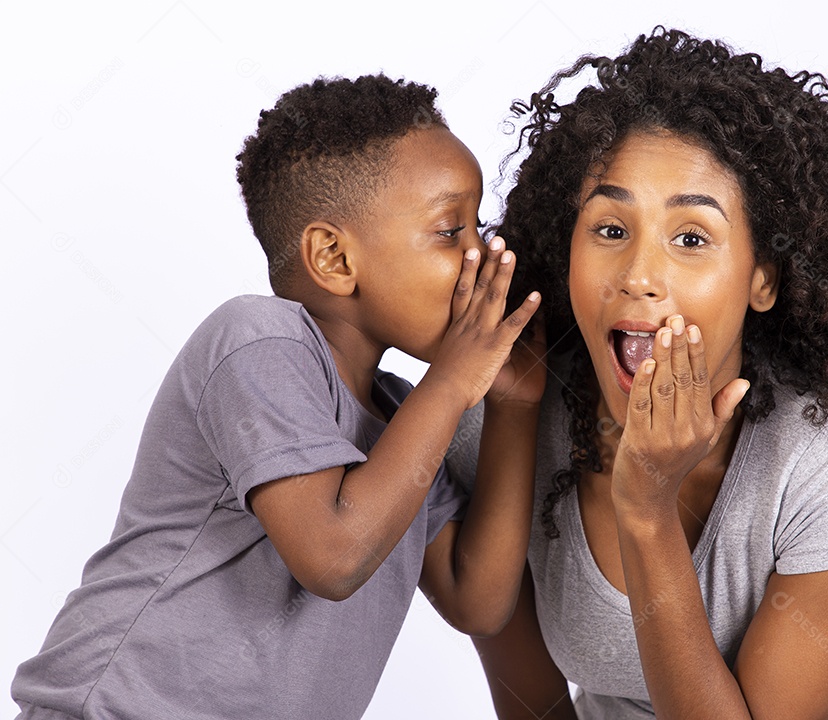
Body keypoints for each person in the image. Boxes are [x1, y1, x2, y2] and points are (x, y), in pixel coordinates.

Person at [446, 28, 828, 719]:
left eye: (691, 238)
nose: (640, 276)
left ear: (761, 278)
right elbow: (530, 701)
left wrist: (647, 509)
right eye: (610, 230)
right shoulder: (508, 416)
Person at [11, 74, 545, 719]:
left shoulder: (404, 419)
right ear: (334, 258)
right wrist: (455, 381)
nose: (480, 256)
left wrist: (513, 408)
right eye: (447, 230)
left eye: (478, 224)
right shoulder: (257, 341)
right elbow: (334, 556)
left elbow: (475, 599)